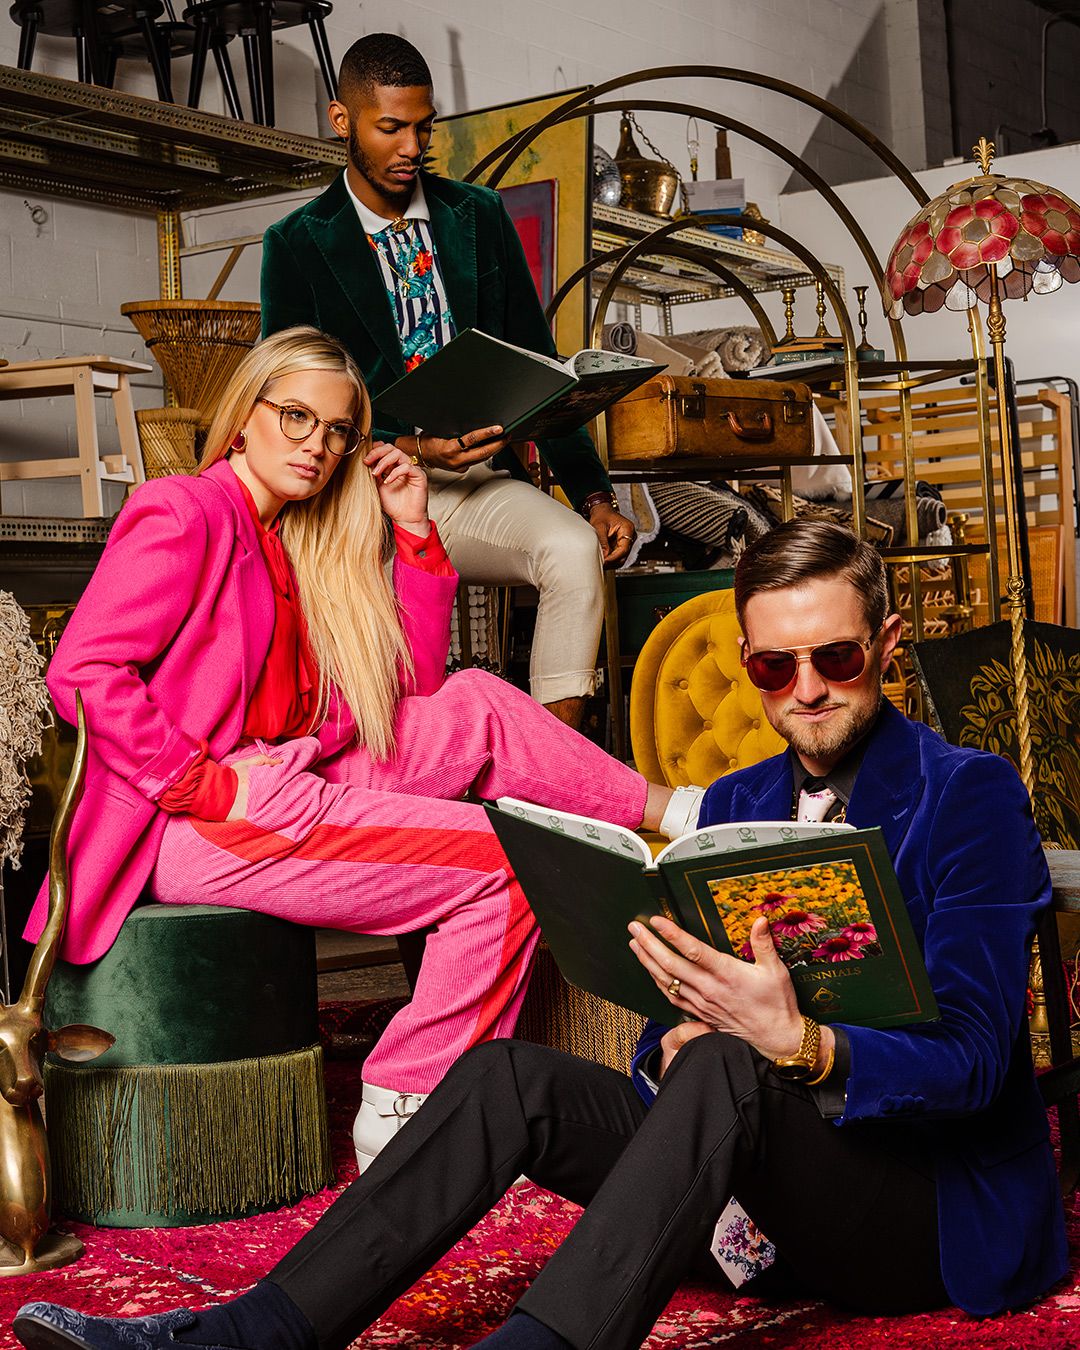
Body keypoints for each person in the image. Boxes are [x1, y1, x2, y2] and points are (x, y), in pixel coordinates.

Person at [15, 520, 1065, 1350]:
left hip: (920, 1208)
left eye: (836, 657)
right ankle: (256, 1330)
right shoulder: (737, 802)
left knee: (733, 1069)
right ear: (750, 662)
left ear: (887, 644)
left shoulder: (968, 796)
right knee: (506, 1076)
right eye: (773, 669)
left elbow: (977, 1061)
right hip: (753, 1185)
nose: (808, 691)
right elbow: (664, 1030)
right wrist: (673, 1040)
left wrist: (801, 1044)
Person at [22, 326, 687, 1175]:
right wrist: (203, 785)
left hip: (294, 762)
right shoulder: (186, 511)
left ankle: (683, 812)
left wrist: (412, 531)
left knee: (476, 700)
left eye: (337, 430)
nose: (316, 445)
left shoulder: (289, 535)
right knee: (510, 862)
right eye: (296, 417)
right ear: (244, 417)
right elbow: (82, 673)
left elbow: (410, 687)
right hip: (197, 818)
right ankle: (405, 1103)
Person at [260, 32, 637, 731]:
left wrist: (593, 494)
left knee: (572, 550)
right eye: (391, 128)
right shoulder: (296, 242)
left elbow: (538, 364)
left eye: (423, 128)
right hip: (358, 497)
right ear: (342, 121)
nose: (412, 147)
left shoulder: (478, 216)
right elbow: (290, 401)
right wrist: (411, 446)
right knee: (390, 658)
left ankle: (552, 765)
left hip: (475, 486)